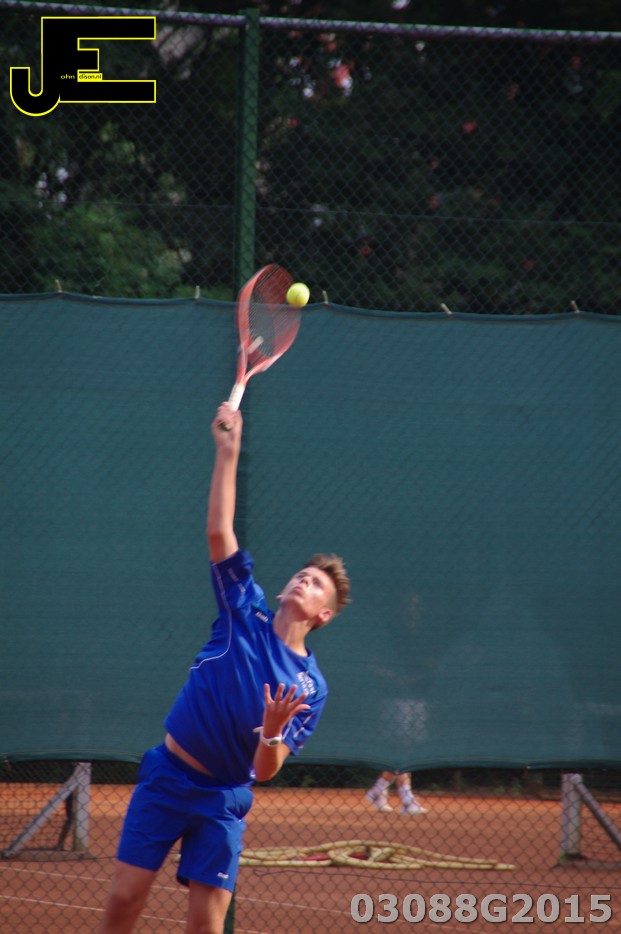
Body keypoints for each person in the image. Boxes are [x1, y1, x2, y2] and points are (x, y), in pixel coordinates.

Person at [99, 400, 350, 934]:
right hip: (169, 774)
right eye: (301, 575)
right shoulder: (243, 610)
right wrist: (227, 451)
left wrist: (274, 731)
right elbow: (219, 532)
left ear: (323, 614)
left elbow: (266, 770)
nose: (303, 580)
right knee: (124, 899)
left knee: (206, 927)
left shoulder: (311, 686)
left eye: (316, 584)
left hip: (224, 799)